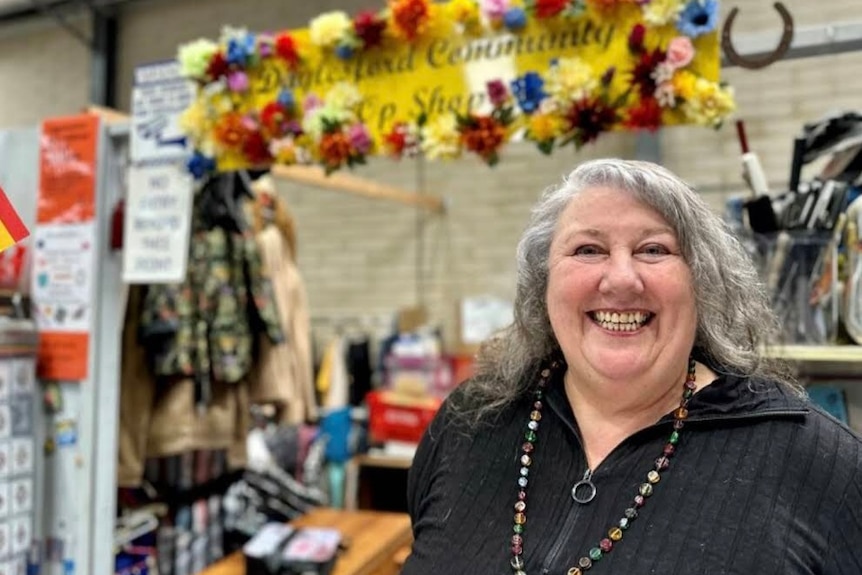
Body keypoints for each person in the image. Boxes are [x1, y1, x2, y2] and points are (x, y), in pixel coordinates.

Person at [401, 159, 862, 574]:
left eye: (653, 250)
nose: (621, 278)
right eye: (587, 250)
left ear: (702, 283)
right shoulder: (469, 422)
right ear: (544, 286)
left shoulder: (819, 463)